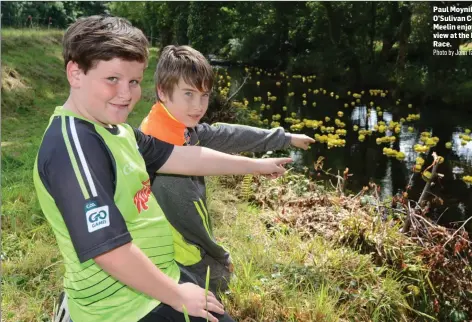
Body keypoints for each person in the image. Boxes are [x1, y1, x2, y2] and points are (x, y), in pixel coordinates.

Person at [34, 15, 291, 322]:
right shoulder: (74, 146)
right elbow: (107, 250)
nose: (127, 94)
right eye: (112, 79)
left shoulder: (118, 131)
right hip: (123, 307)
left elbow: (187, 157)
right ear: (75, 73)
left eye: (133, 81)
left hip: (157, 279)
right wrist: (177, 294)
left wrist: (257, 166)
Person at [140, 45, 315, 294]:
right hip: (176, 254)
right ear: (162, 91)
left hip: (175, 246)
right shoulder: (166, 157)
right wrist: (220, 255)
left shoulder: (170, 123)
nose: (198, 106)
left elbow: (227, 134)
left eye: (204, 95)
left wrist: (285, 138)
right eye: (188, 94)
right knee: (220, 283)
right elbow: (191, 220)